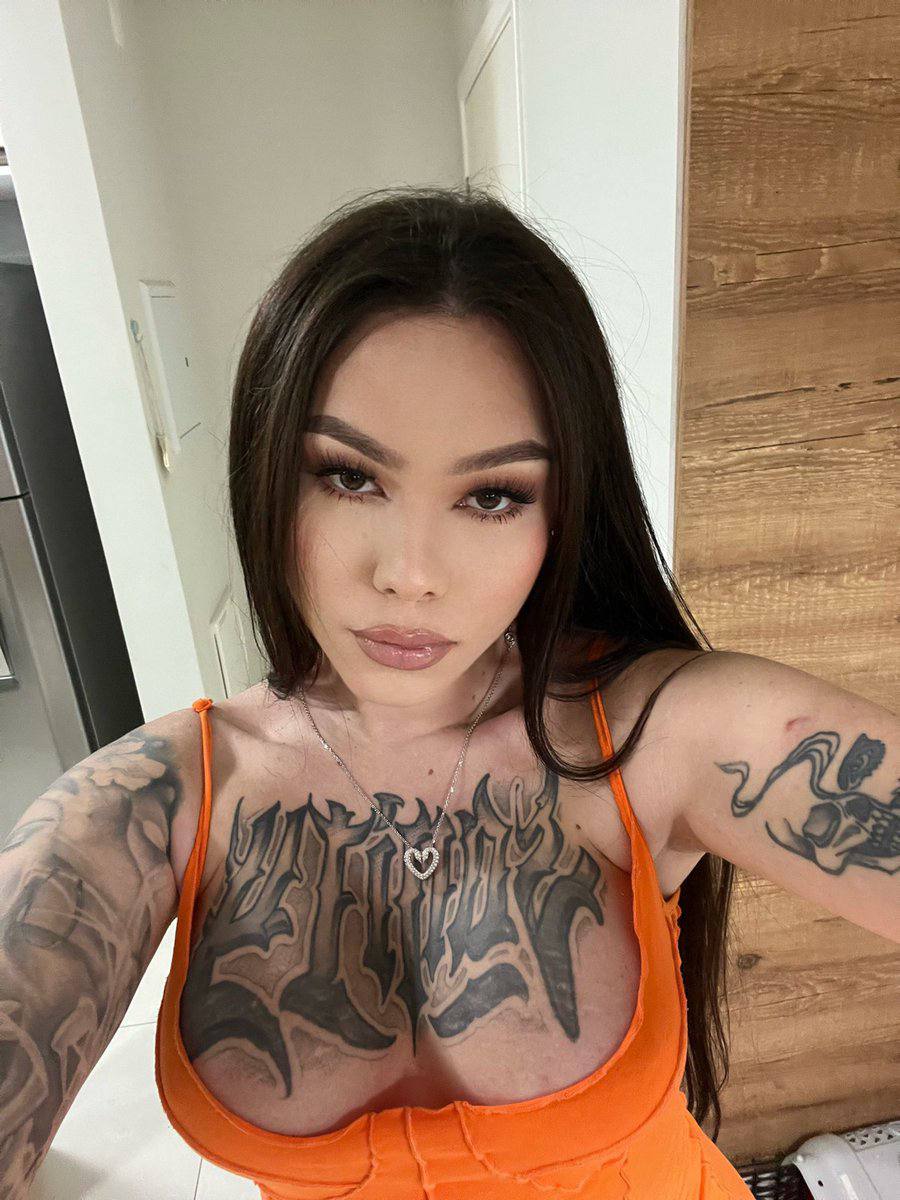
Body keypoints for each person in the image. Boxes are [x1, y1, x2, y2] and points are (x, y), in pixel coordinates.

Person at [5, 187, 896, 1199]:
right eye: (350, 477)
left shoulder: (659, 733)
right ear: (268, 470)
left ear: (560, 513)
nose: (411, 575)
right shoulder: (148, 805)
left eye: (493, 495)